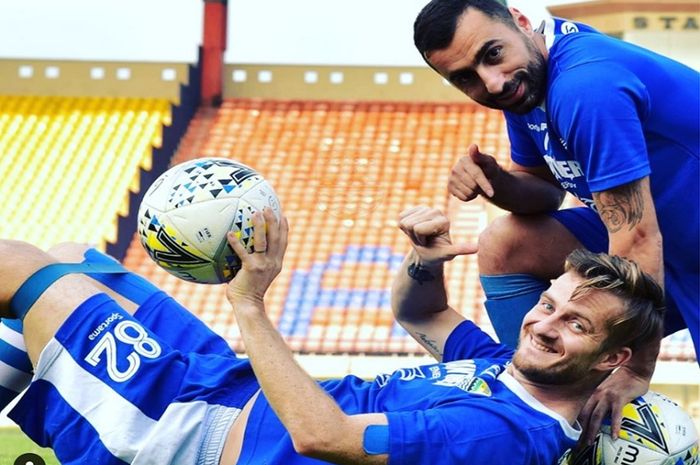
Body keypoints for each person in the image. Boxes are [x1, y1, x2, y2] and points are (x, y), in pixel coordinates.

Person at [0, 206, 664, 465]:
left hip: (193, 433)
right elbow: (423, 315)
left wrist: (251, 304)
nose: (542, 323)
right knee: (76, 256)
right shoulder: (503, 370)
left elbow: (322, 437)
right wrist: (426, 261)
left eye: (574, 323)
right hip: (230, 390)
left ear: (613, 359)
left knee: (18, 267)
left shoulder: (498, 435)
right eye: (548, 304)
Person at [412, 0, 699, 443]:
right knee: (506, 243)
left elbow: (636, 237)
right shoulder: (526, 81)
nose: (491, 81)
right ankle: (540, 403)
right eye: (465, 78)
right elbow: (545, 187)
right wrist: (498, 183)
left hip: (662, 246)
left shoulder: (585, 87)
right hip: (674, 248)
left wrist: (635, 369)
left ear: (522, 22)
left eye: (491, 55)